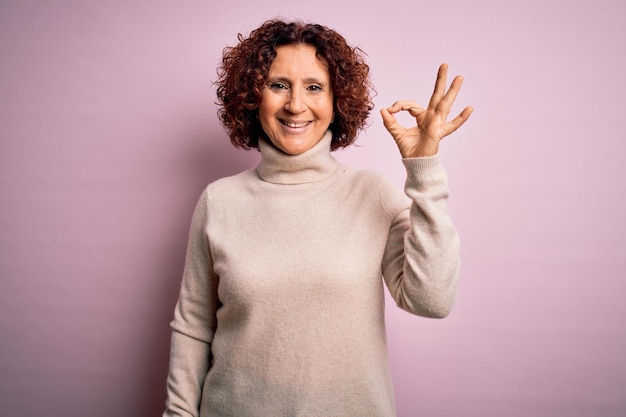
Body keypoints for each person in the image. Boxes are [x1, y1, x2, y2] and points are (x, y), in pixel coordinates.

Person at [163, 19, 472, 417]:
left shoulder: (371, 194)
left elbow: (432, 301)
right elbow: (192, 328)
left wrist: (423, 169)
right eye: (278, 85)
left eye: (314, 87)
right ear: (253, 96)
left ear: (336, 101)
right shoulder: (220, 200)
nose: (295, 105)